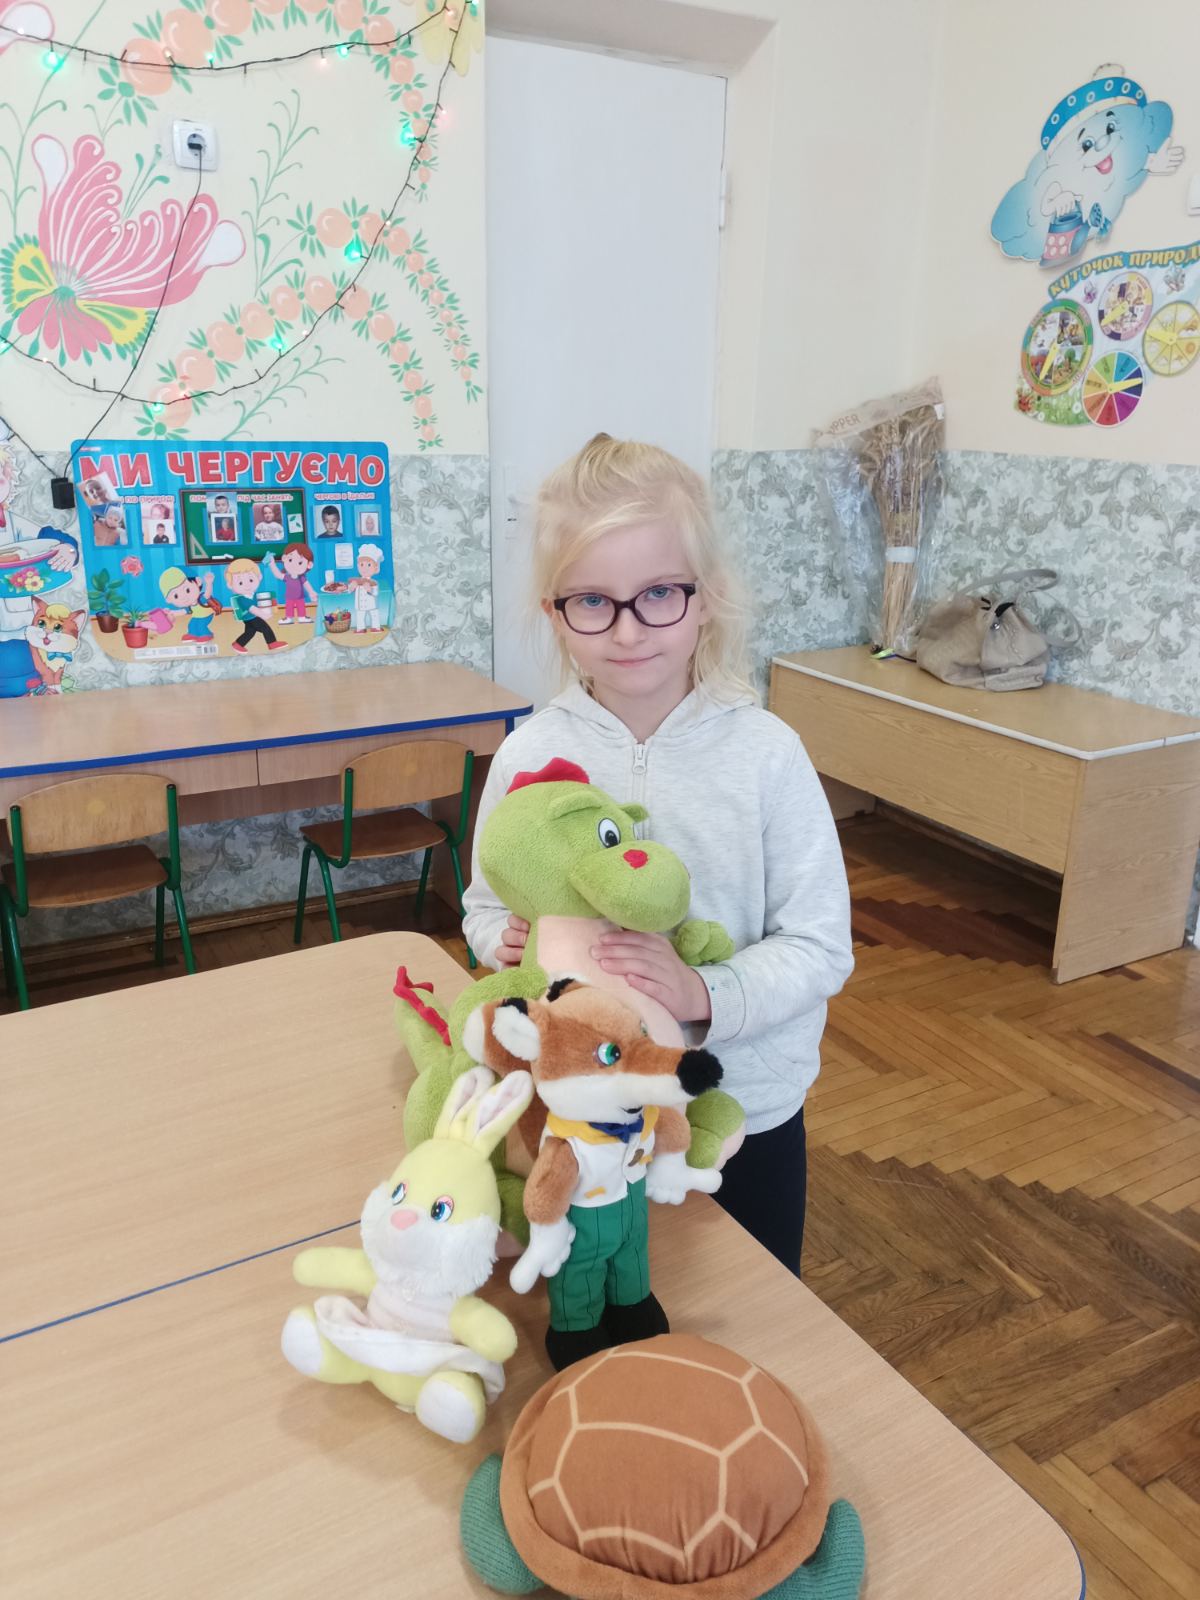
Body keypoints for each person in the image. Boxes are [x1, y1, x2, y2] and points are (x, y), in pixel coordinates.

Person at [461, 434, 853, 1275]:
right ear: (554, 613)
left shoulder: (767, 755)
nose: (628, 629)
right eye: (592, 602)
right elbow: (485, 904)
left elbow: (821, 946)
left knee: (751, 1307)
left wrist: (702, 992)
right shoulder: (527, 755)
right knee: (601, 1299)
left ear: (707, 598)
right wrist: (502, 939)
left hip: (738, 1105)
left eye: (658, 595)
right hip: (579, 1110)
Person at [224, 558, 285, 654]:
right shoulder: (242, 598)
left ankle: (238, 644)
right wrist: (263, 615)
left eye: (251, 580)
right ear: (230, 585)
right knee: (265, 628)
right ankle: (272, 643)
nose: (247, 585)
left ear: (259, 577)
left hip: (250, 617)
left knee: (250, 632)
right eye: (240, 583)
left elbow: (260, 603)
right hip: (251, 617)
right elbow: (252, 608)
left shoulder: (252, 594)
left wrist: (270, 604)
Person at [267, 541, 316, 624]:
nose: (294, 565)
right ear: (284, 558)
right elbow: (278, 575)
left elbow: (306, 584)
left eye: (300, 562)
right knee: (289, 607)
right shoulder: (287, 577)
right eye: (290, 560)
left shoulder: (301, 577)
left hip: (300, 597)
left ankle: (302, 617)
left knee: (301, 606)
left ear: (309, 565)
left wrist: (312, 592)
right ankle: (289, 618)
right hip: (289, 597)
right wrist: (272, 564)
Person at [347, 543, 384, 632]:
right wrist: (351, 587)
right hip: (360, 605)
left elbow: (376, 593)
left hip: (372, 604)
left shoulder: (373, 582)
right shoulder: (356, 581)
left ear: (376, 568)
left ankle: (376, 627)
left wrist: (369, 589)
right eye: (361, 564)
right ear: (358, 566)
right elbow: (349, 591)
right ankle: (360, 628)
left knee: (374, 615)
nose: (364, 568)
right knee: (360, 616)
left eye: (369, 565)